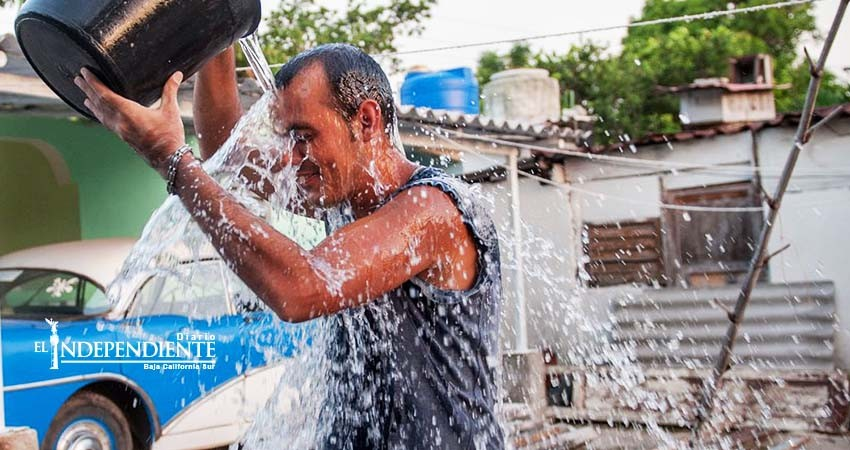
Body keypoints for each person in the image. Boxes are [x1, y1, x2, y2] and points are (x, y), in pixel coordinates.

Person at [75, 43, 505, 449]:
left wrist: (171, 158)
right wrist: (220, 34)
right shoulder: (339, 193)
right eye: (285, 137)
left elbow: (303, 288)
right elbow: (226, 156)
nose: (292, 157)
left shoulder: (433, 209)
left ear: (367, 121)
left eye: (303, 135)